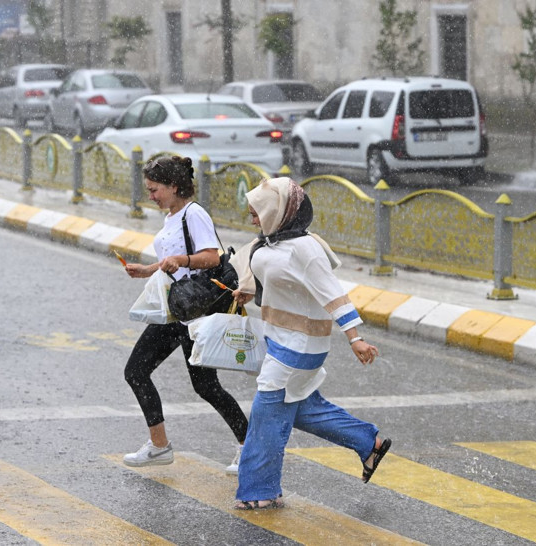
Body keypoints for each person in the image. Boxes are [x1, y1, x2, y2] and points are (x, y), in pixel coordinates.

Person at [230, 177, 391, 510]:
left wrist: (355, 338)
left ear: (279, 212)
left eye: (257, 213)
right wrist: (249, 291)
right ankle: (368, 442)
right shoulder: (270, 242)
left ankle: (260, 490)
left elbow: (332, 293)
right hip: (279, 339)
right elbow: (272, 279)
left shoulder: (306, 248)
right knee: (301, 408)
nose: (253, 220)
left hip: (300, 346)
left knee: (265, 414)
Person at [122, 155, 248, 474]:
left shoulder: (194, 214)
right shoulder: (171, 216)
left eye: (154, 189)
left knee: (206, 387)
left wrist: (179, 258)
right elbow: (174, 263)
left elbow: (209, 257)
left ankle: (249, 448)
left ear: (173, 186)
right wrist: (147, 269)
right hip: (177, 309)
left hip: (197, 311)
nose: (150, 195)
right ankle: (159, 446)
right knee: (136, 370)